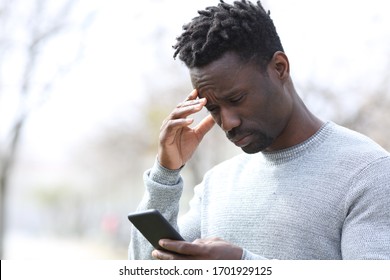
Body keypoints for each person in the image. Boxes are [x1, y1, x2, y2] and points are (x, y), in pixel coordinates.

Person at [129, 0, 390, 260]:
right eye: (213, 109)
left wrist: (243, 266)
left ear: (280, 68)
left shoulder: (369, 172)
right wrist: (165, 174)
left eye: (236, 99)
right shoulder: (217, 183)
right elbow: (144, 268)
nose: (228, 123)